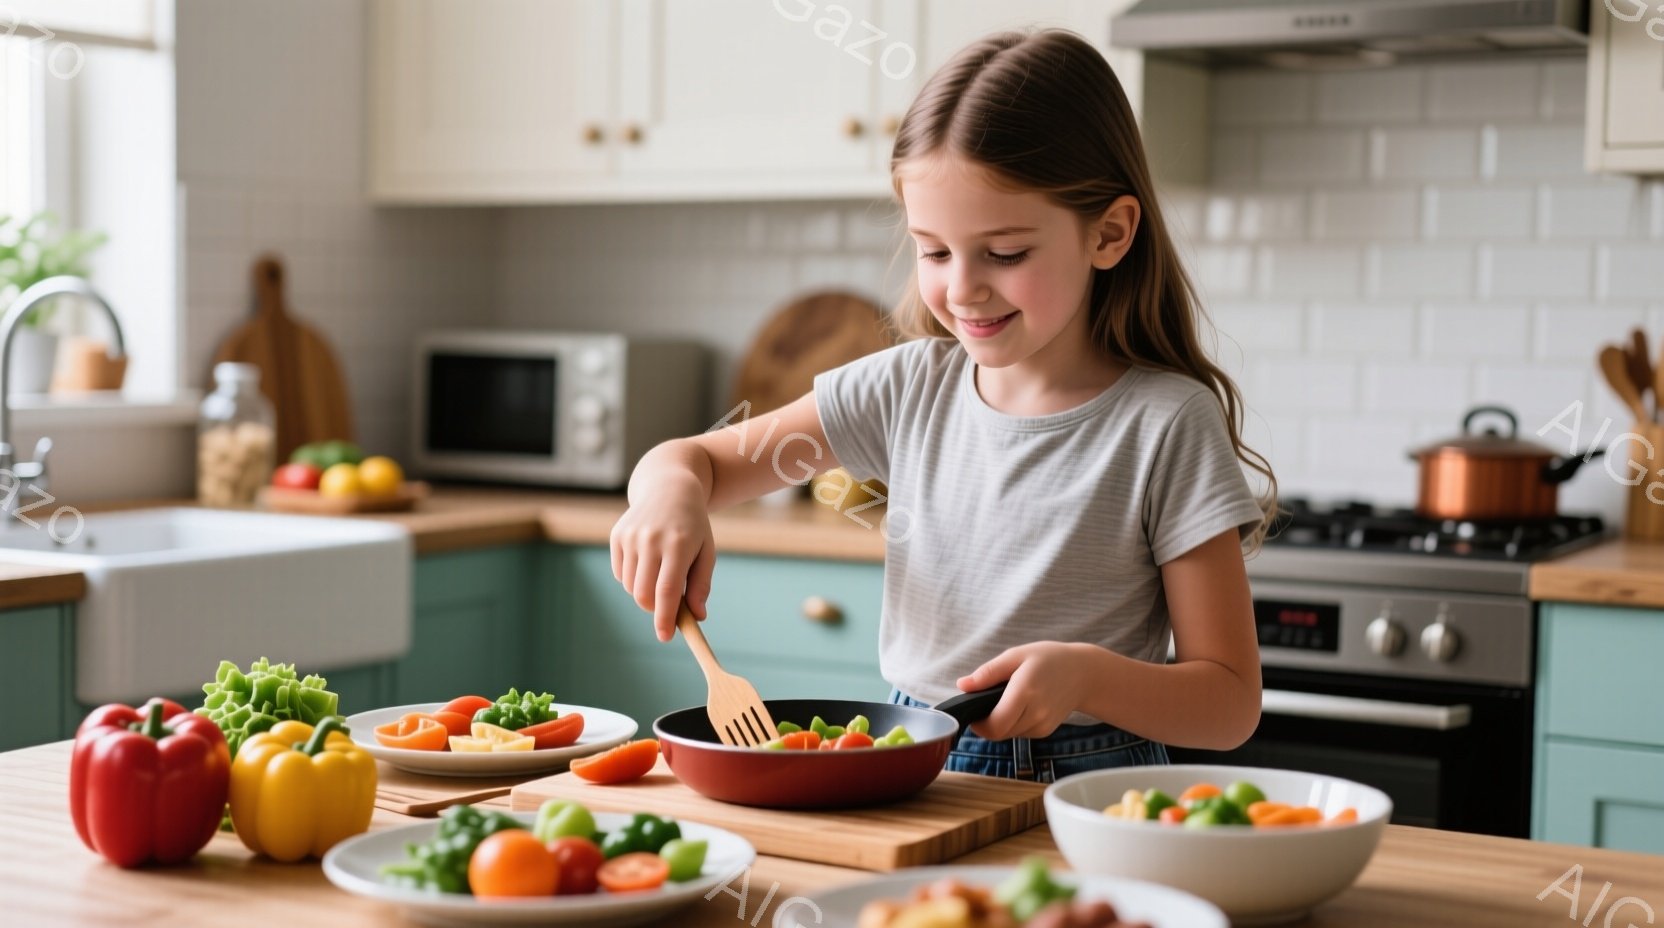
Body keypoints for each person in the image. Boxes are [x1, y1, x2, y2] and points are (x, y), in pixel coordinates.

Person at [610, 29, 1277, 782]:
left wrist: (1089, 677)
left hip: (1093, 778)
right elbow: (693, 459)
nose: (962, 288)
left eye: (1005, 253)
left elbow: (1229, 704)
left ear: (1110, 233)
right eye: (934, 251)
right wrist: (668, 496)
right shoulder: (905, 387)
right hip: (916, 757)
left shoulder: (1165, 424)